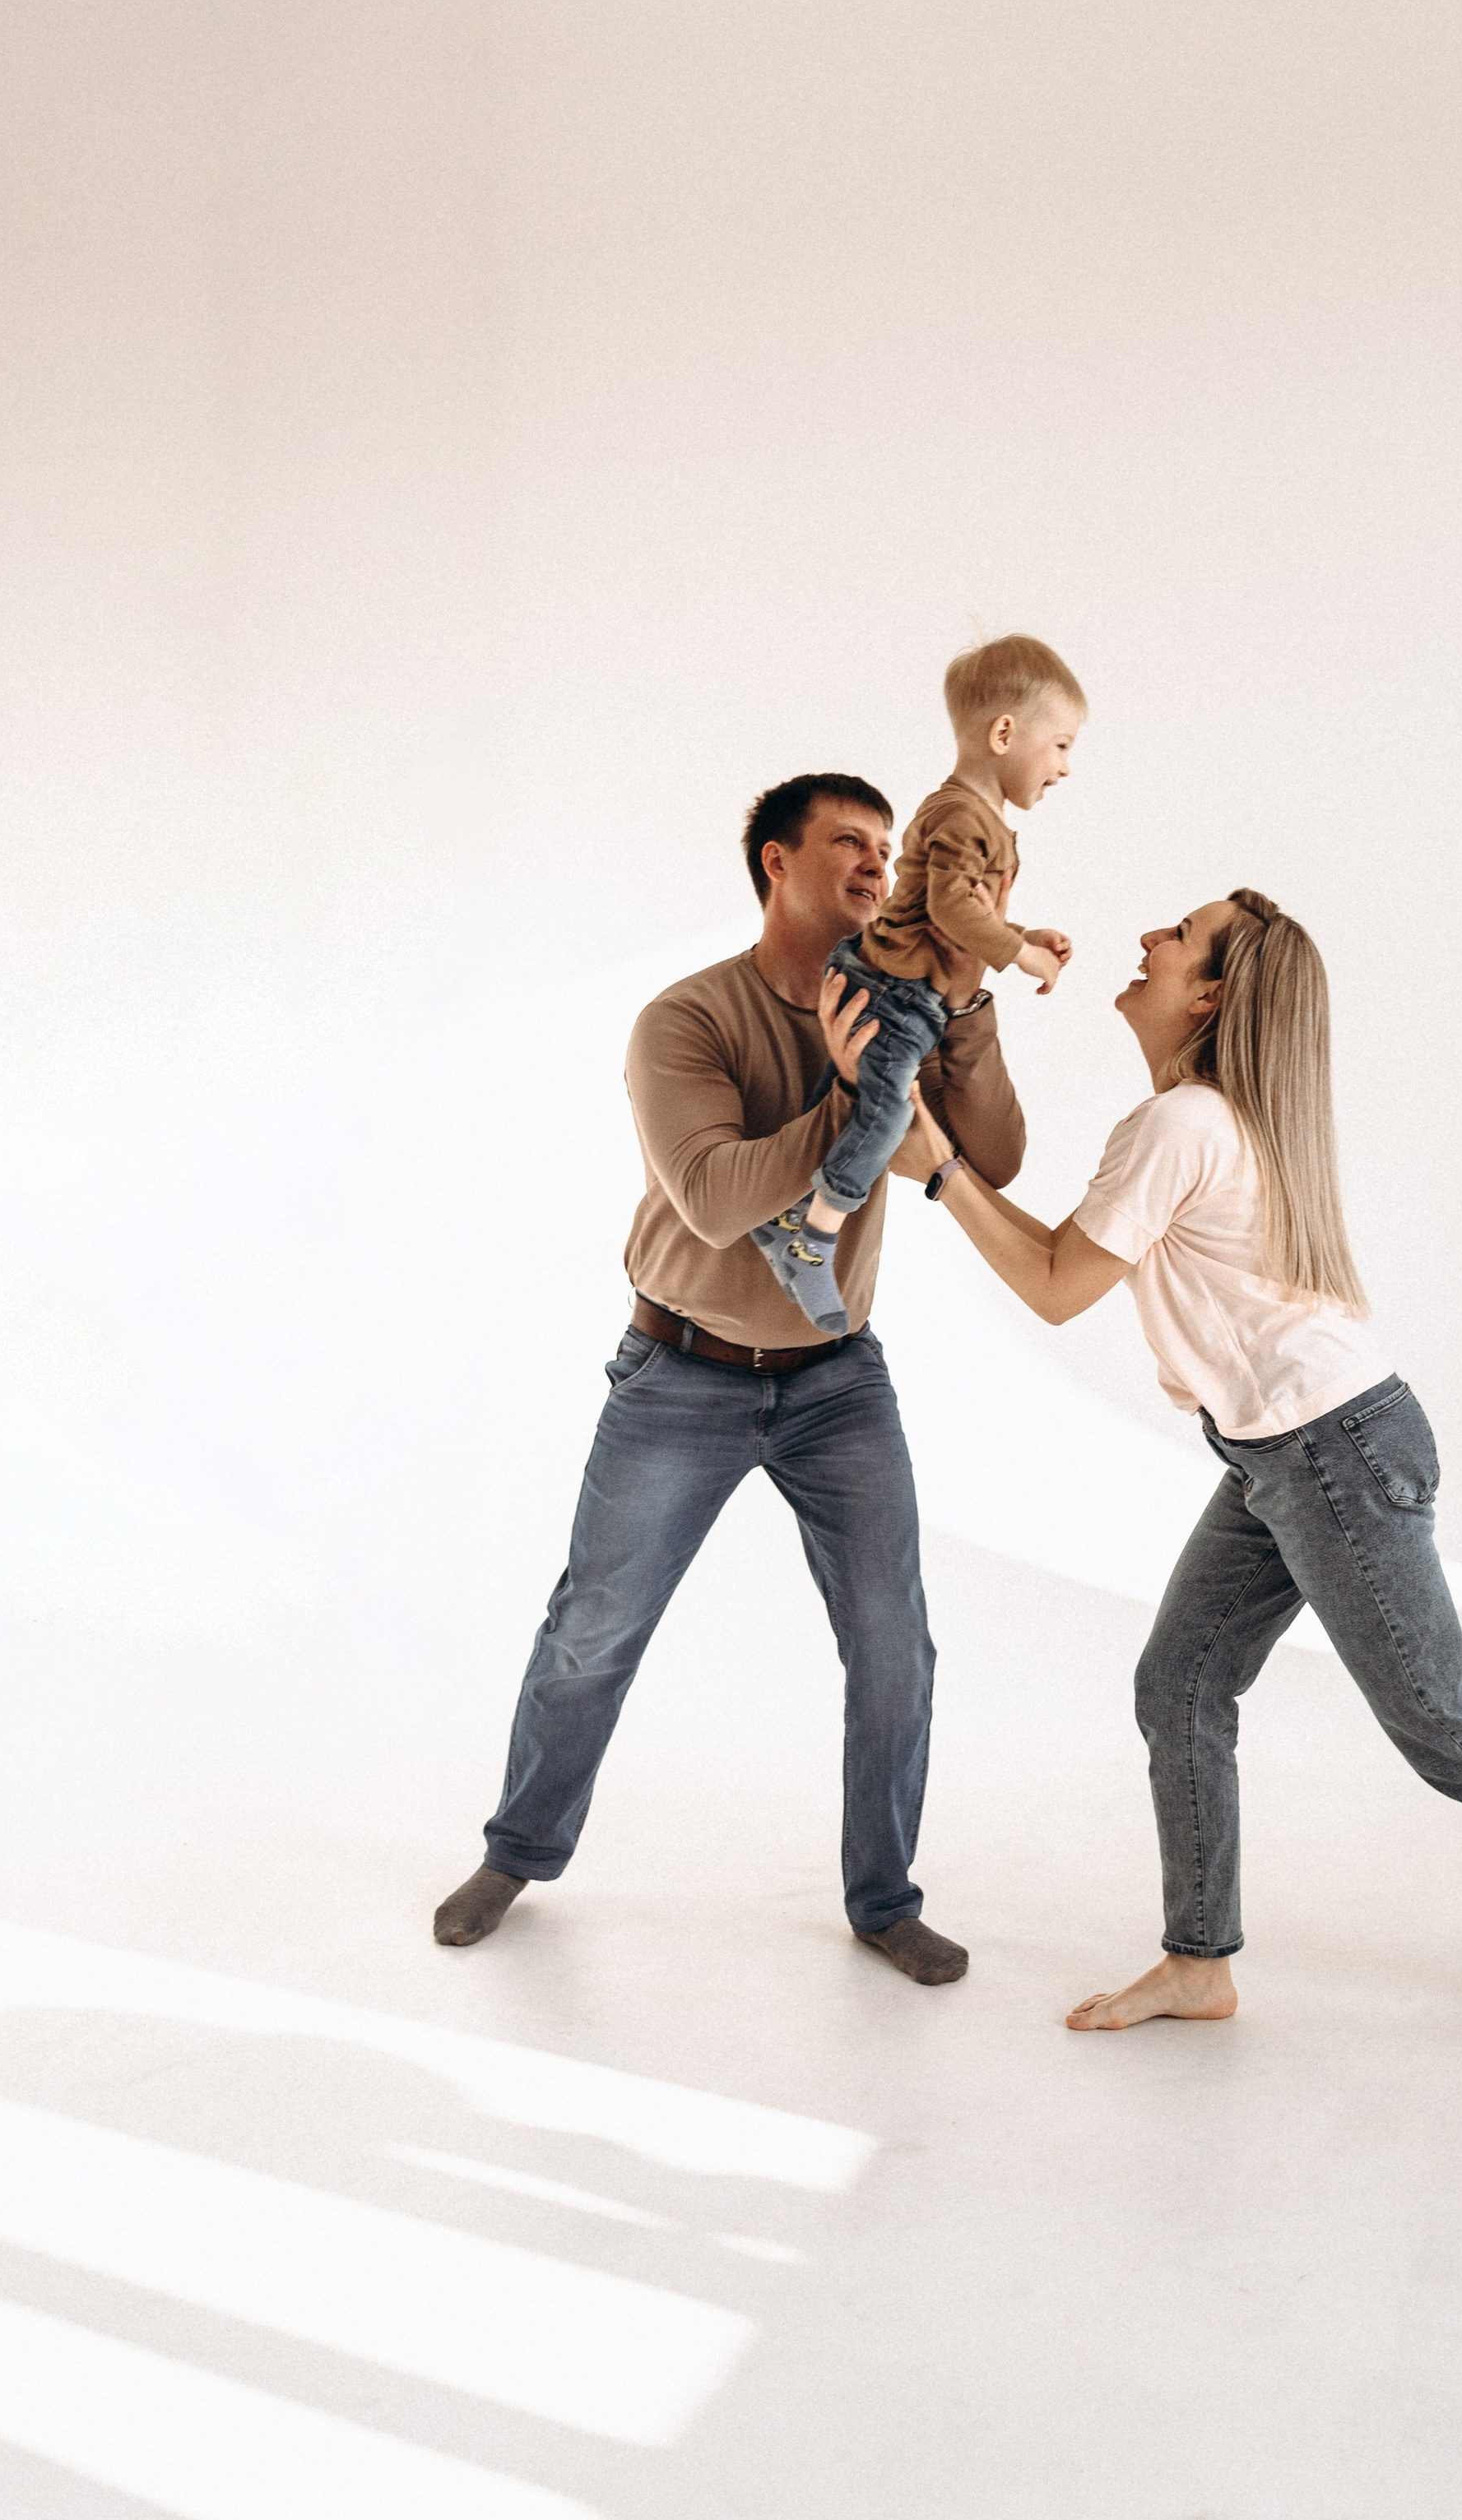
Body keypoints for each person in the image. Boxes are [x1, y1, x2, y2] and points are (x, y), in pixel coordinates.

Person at [892, 888, 1462, 2075]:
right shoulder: (1203, 1117)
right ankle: (1200, 1959)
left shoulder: (1181, 1123)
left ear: (1213, 993)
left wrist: (940, 1174)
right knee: (1181, 1682)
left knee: (1443, 1723)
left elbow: (1062, 1286)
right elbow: (1078, 1275)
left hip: (1329, 1451)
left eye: (1177, 936)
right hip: (1288, 1451)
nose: (1148, 942)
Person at [431, 773, 1028, 1985]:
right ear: (774, 862)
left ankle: (882, 1900)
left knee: (894, 1645)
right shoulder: (685, 1020)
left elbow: (1000, 1159)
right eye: (848, 842)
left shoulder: (909, 1000)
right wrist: (852, 1097)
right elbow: (710, 1200)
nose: (878, 862)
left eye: (887, 845)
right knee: (592, 1631)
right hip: (681, 1370)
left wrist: (964, 1017)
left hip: (837, 1380)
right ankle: (519, 1851)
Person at [750, 637, 1082, 1336]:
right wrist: (1016, 952)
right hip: (897, 994)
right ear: (1003, 734)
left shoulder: (975, 818)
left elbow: (955, 909)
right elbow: (953, 911)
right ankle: (813, 1236)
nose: (1064, 767)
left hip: (901, 987)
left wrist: (1022, 931)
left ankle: (787, 1214)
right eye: (1058, 745)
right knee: (889, 1117)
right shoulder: (963, 816)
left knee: (853, 1104)